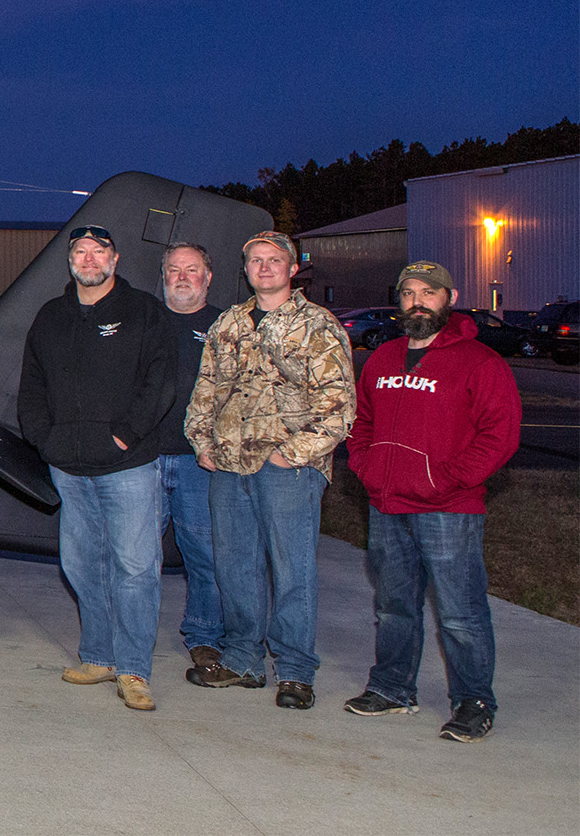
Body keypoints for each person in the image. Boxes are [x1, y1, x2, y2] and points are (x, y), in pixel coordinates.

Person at [341, 261, 520, 742]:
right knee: (394, 605)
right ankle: (393, 687)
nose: (418, 301)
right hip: (387, 504)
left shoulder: (481, 362)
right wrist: (367, 466)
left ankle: (473, 701)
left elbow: (498, 437)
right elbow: (362, 424)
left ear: (450, 297)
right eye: (409, 293)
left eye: (429, 292)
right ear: (398, 301)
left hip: (449, 510)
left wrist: (444, 480)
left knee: (461, 613)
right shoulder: (382, 359)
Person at [183, 231, 355, 710]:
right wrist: (202, 442)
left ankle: (296, 672)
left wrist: (292, 452)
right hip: (229, 464)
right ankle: (242, 661)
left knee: (292, 569)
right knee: (234, 566)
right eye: (255, 260)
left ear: (292, 268)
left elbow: (339, 407)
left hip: (289, 469)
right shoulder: (229, 323)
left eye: (274, 260)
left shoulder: (317, 325)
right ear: (245, 269)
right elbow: (206, 388)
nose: (264, 268)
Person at [17, 224, 177, 713]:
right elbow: (32, 387)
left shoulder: (144, 312)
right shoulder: (50, 316)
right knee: (82, 564)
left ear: (116, 258)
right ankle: (100, 656)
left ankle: (133, 669)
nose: (89, 259)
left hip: (128, 465)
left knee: (134, 568)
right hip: (69, 465)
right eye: (80, 252)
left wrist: (124, 435)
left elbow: (161, 383)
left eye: (98, 251)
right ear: (71, 261)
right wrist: (46, 441)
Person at [152, 242, 224, 674]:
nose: (182, 277)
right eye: (174, 269)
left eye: (192, 269)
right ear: (162, 274)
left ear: (208, 276)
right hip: (145, 459)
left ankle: (204, 637)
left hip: (201, 463)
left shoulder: (224, 325)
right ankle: (131, 635)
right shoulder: (142, 318)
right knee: (138, 557)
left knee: (205, 553)